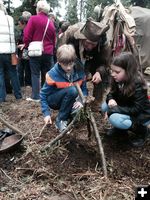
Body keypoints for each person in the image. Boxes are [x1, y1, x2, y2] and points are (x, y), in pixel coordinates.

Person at [60, 17, 111, 109]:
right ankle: (67, 100)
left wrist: (99, 72)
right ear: (82, 37)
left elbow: (105, 63)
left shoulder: (104, 45)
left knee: (101, 75)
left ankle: (96, 102)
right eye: (88, 43)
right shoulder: (70, 34)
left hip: (93, 59)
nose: (90, 47)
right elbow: (60, 54)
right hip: (73, 55)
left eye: (93, 44)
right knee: (70, 74)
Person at [101, 52, 150, 147]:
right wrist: (111, 99)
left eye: (117, 72)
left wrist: (114, 110)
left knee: (114, 118)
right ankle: (120, 130)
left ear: (128, 71)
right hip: (126, 106)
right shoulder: (118, 80)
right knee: (104, 106)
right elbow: (111, 93)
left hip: (140, 114)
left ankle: (142, 132)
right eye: (112, 71)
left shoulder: (137, 84)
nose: (113, 74)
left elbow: (136, 109)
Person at [40, 44, 88, 132]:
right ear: (59, 62)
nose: (69, 67)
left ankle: (69, 115)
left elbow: (84, 89)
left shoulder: (80, 71)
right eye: (65, 64)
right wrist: (46, 113)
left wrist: (81, 100)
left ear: (74, 60)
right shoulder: (53, 74)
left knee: (78, 111)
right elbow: (43, 95)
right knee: (73, 90)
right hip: (54, 100)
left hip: (70, 99)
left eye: (71, 63)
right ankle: (60, 120)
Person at [24, 0, 56, 101]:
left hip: (35, 51)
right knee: (46, 74)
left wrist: (27, 45)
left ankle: (36, 96)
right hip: (48, 52)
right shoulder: (50, 23)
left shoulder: (33, 19)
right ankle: (45, 95)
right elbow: (53, 39)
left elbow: (27, 36)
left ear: (38, 9)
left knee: (35, 74)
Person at [0, 0, 22, 102]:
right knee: (13, 73)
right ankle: (18, 95)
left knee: (0, 74)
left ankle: (1, 97)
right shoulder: (10, 19)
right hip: (10, 51)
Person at [17, 12, 32, 89]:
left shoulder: (27, 29)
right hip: (22, 52)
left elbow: (28, 40)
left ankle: (28, 83)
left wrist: (23, 45)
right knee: (21, 68)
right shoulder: (22, 30)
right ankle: (21, 83)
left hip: (26, 51)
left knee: (27, 67)